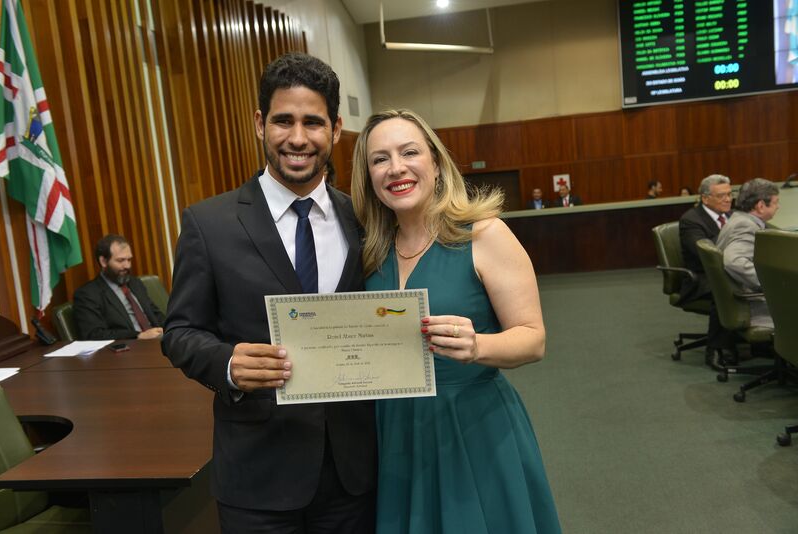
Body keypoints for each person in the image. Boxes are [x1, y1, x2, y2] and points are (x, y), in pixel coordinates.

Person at [161, 53, 376, 533]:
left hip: (353, 473)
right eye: (283, 121)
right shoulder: (208, 224)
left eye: (313, 122)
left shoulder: (364, 219)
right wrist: (228, 364)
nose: (297, 138)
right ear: (260, 124)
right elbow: (179, 331)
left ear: (336, 129)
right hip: (257, 476)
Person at [351, 109, 561, 534]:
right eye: (380, 159)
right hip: (396, 432)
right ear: (368, 177)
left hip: (472, 428)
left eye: (409, 152)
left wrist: (479, 346)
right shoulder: (370, 251)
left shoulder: (483, 234)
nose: (396, 168)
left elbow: (533, 339)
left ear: (435, 161)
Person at [73, 234, 164, 340]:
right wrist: (138, 336)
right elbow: (94, 334)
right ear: (103, 261)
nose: (127, 266)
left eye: (129, 260)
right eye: (120, 260)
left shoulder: (135, 283)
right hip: (131, 346)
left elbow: (156, 314)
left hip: (159, 341)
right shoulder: (87, 294)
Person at [716, 178, 780, 327]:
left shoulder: (738, 218)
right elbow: (734, 262)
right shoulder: (745, 226)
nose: (778, 207)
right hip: (754, 305)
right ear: (761, 206)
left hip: (740, 299)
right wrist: (772, 284)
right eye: (776, 202)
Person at [678, 174, 732, 304]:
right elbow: (705, 252)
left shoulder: (733, 215)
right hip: (706, 278)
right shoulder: (690, 220)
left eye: (730, 194)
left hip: (732, 269)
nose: (728, 199)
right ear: (705, 199)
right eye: (721, 196)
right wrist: (734, 233)